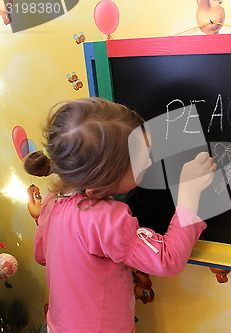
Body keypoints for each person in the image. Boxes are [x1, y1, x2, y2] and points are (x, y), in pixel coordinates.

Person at [25, 97, 215, 333]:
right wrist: (189, 193)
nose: (149, 162)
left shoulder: (51, 203)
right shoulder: (104, 218)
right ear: (101, 182)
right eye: (140, 161)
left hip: (57, 326)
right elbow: (167, 260)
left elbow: (41, 255)